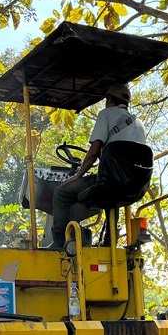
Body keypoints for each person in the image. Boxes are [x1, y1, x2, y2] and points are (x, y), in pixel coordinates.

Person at [50, 83, 146, 249]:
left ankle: (60, 243)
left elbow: (93, 154)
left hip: (112, 183)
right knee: (112, 193)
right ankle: (110, 242)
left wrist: (77, 176)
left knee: (61, 192)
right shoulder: (139, 123)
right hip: (137, 186)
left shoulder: (106, 114)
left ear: (109, 100)